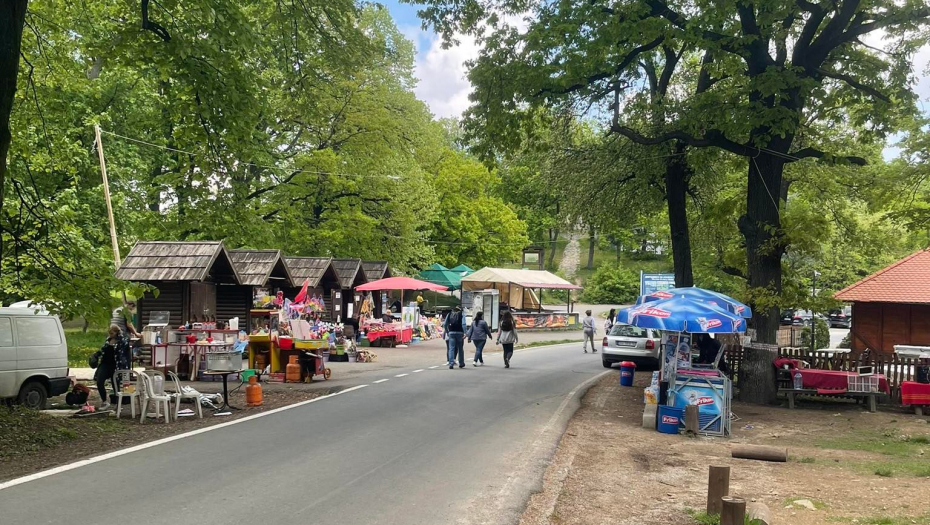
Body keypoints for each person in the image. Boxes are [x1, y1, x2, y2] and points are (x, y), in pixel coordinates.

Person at [95, 325, 124, 409]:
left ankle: (118, 404)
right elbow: (103, 350)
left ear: (116, 332)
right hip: (104, 363)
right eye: (109, 333)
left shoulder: (121, 341)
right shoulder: (108, 340)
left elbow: (122, 353)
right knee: (99, 381)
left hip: (115, 364)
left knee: (115, 384)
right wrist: (97, 354)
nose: (110, 335)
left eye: (112, 333)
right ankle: (104, 401)